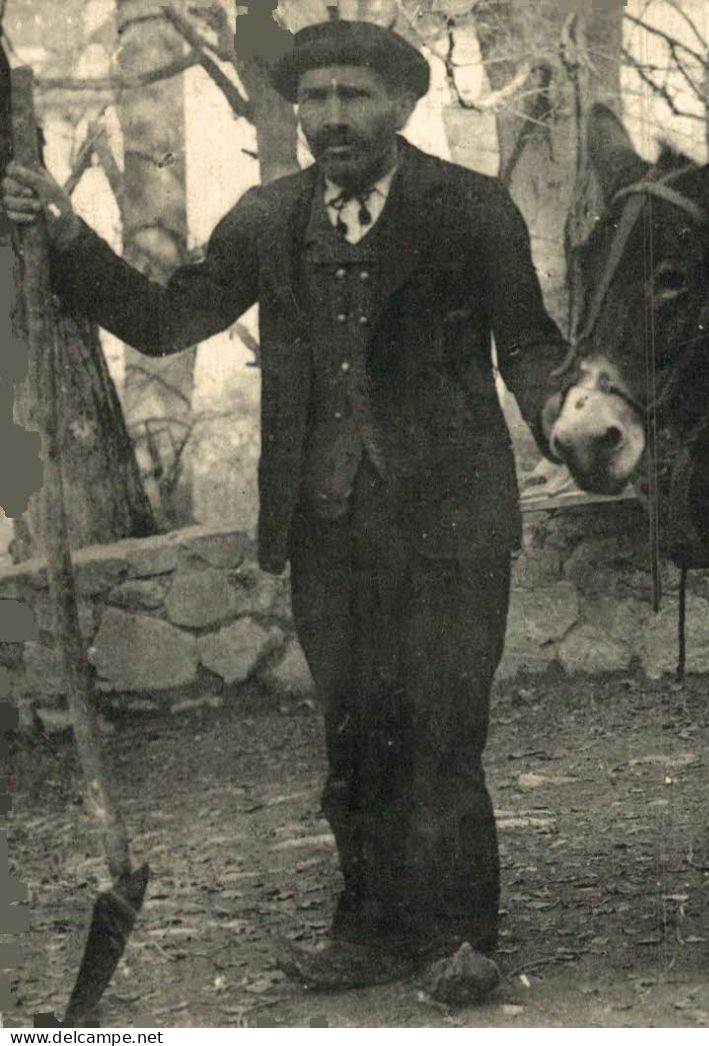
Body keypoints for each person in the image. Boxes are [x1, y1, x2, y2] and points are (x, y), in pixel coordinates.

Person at [4, 17, 568, 996]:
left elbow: (526, 344)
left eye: (353, 96)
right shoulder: (266, 219)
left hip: (451, 527)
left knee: (442, 733)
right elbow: (164, 320)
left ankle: (461, 935)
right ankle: (369, 930)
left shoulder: (471, 209)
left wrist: (573, 415)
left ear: (401, 104)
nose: (331, 116)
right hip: (328, 528)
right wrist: (58, 228)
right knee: (353, 735)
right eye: (313, 99)